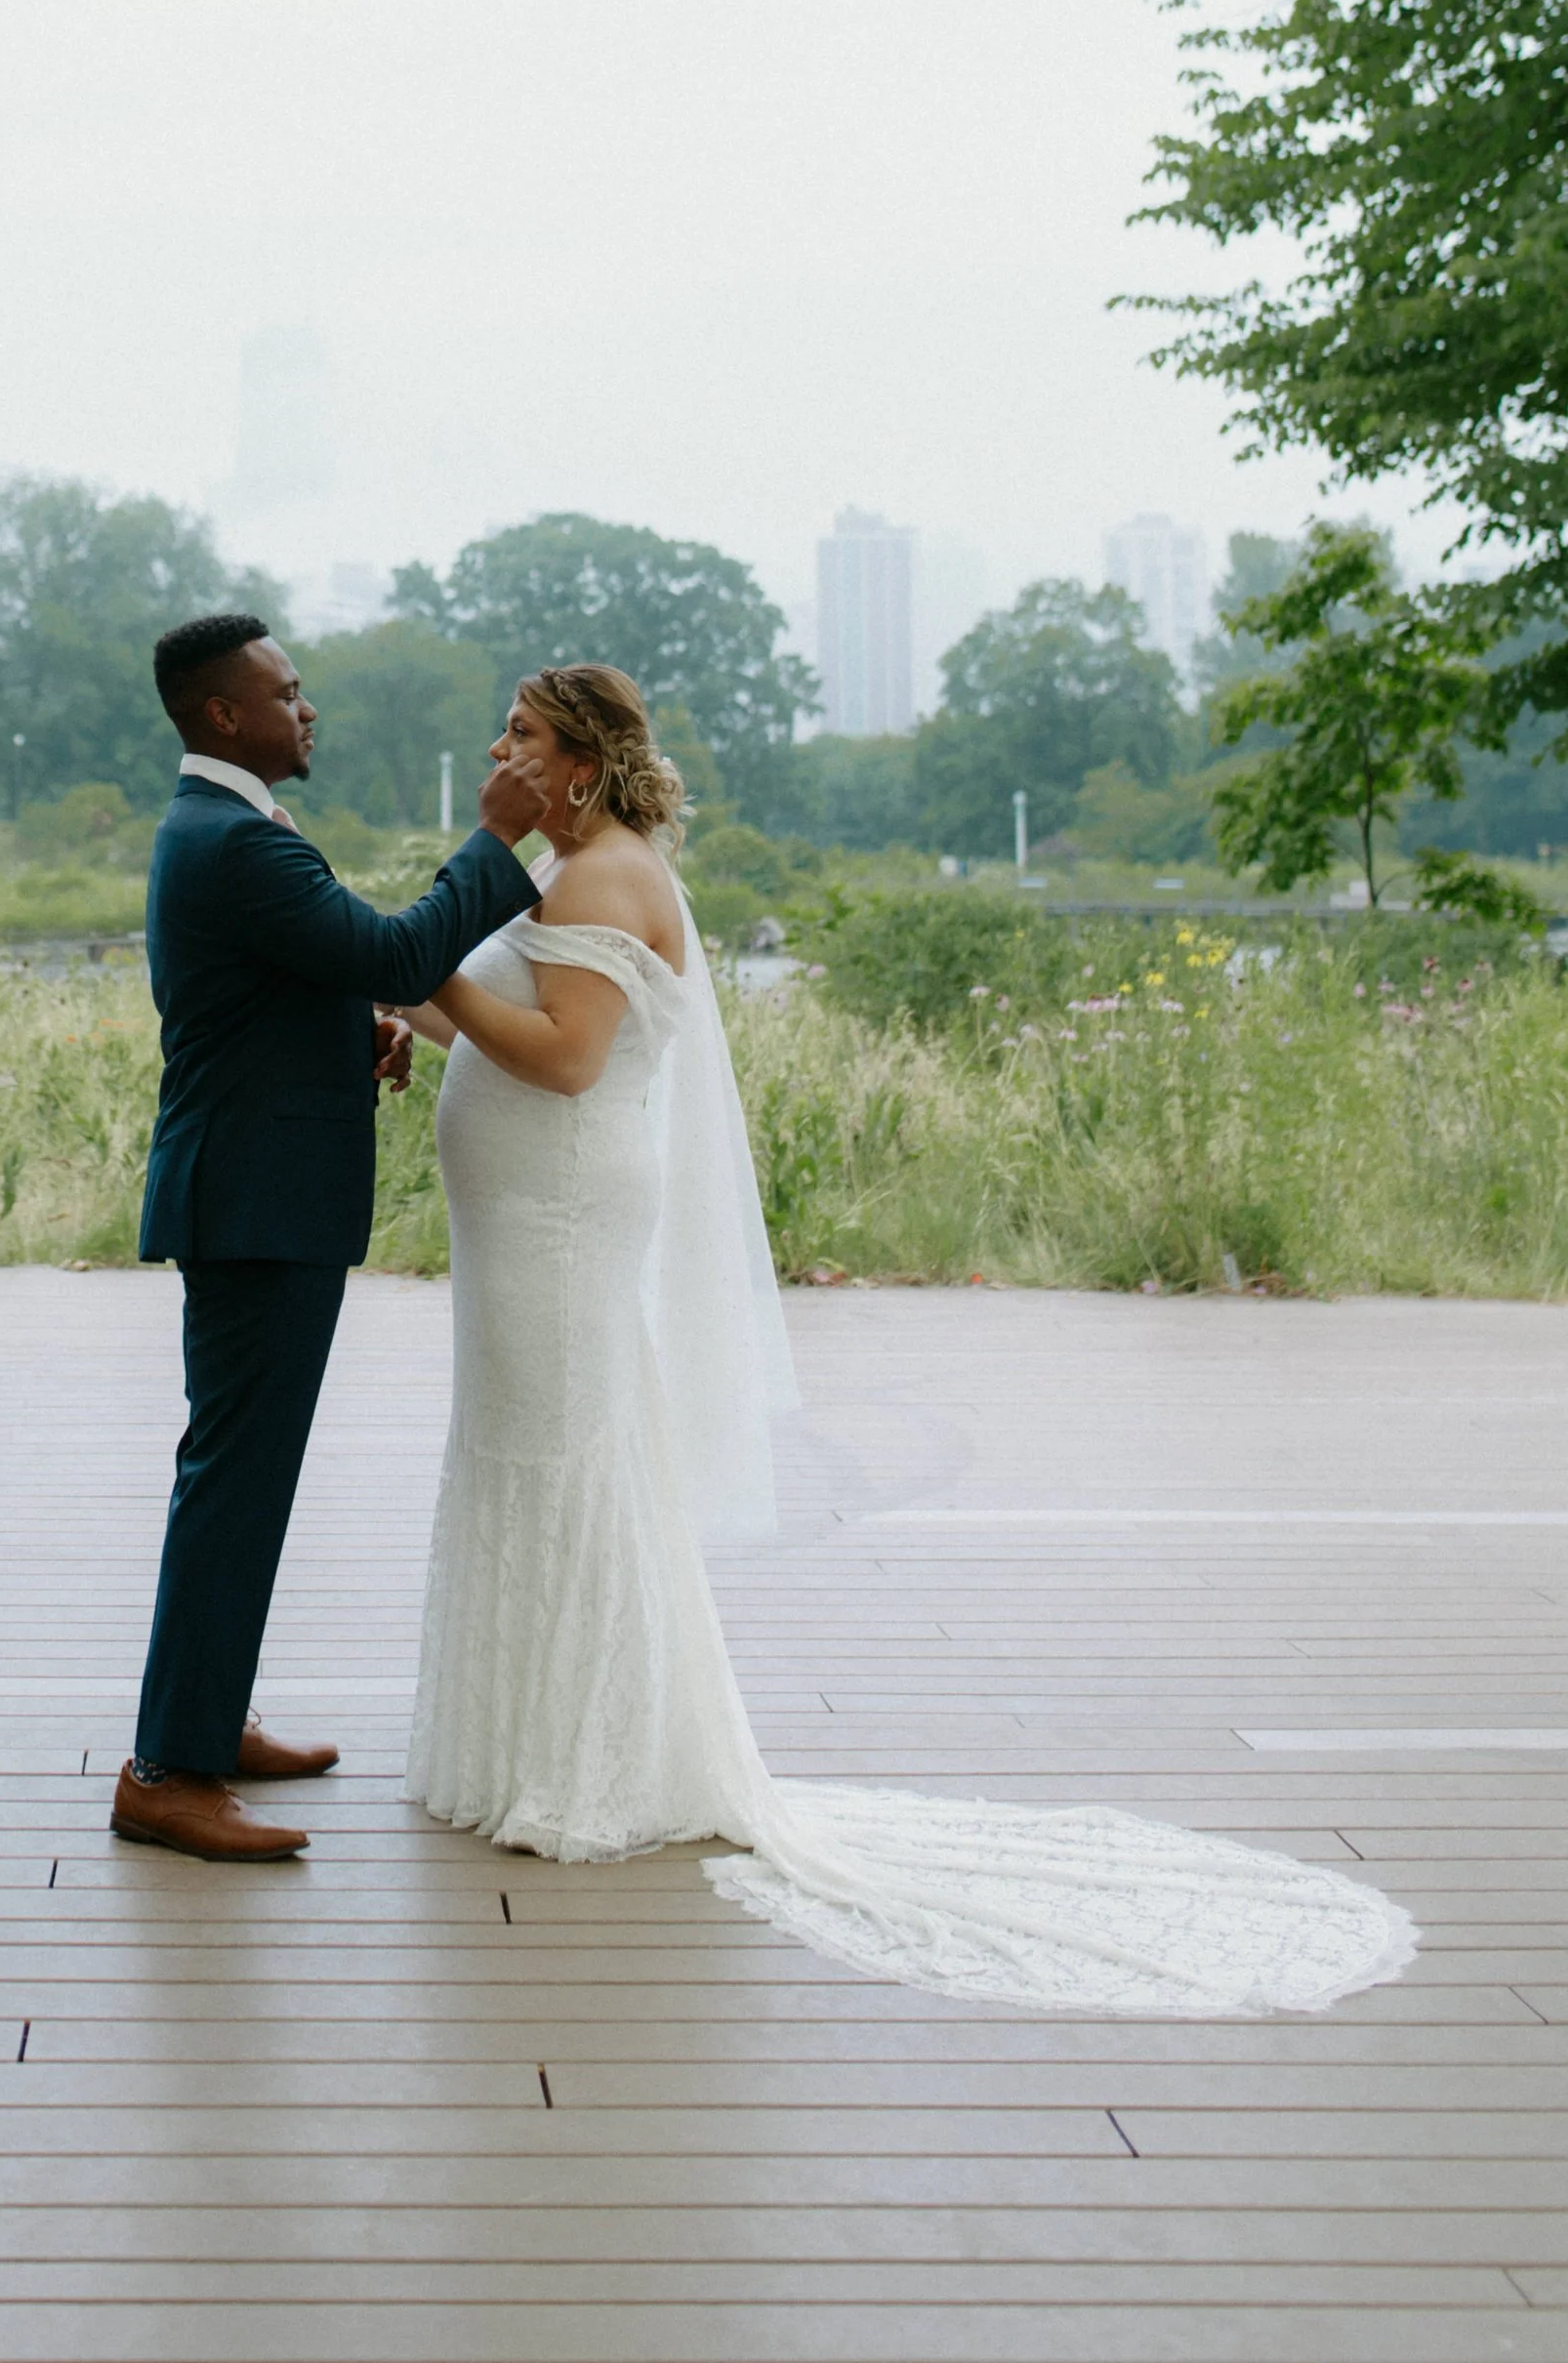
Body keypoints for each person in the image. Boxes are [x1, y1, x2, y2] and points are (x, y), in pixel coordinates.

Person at [398, 660, 1420, 2019]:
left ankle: (586, 1762)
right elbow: (493, 1018)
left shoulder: (605, 876)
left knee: (562, 1458)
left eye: (520, 731)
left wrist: (427, 968)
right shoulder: (568, 866)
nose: (497, 746)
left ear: (578, 762)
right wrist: (403, 1005)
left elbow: (569, 1056)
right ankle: (526, 1739)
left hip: (566, 1220)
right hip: (526, 1223)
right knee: (522, 1449)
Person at [111, 610, 546, 1863]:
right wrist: (495, 836)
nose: (308, 710)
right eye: (286, 692)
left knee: (240, 1478)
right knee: (234, 1483)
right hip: (255, 1204)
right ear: (222, 715)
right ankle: (165, 1774)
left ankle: (208, 1722)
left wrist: (345, 1033)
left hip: (255, 1191)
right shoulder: (235, 840)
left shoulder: (222, 830)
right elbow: (397, 949)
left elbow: (262, 988)